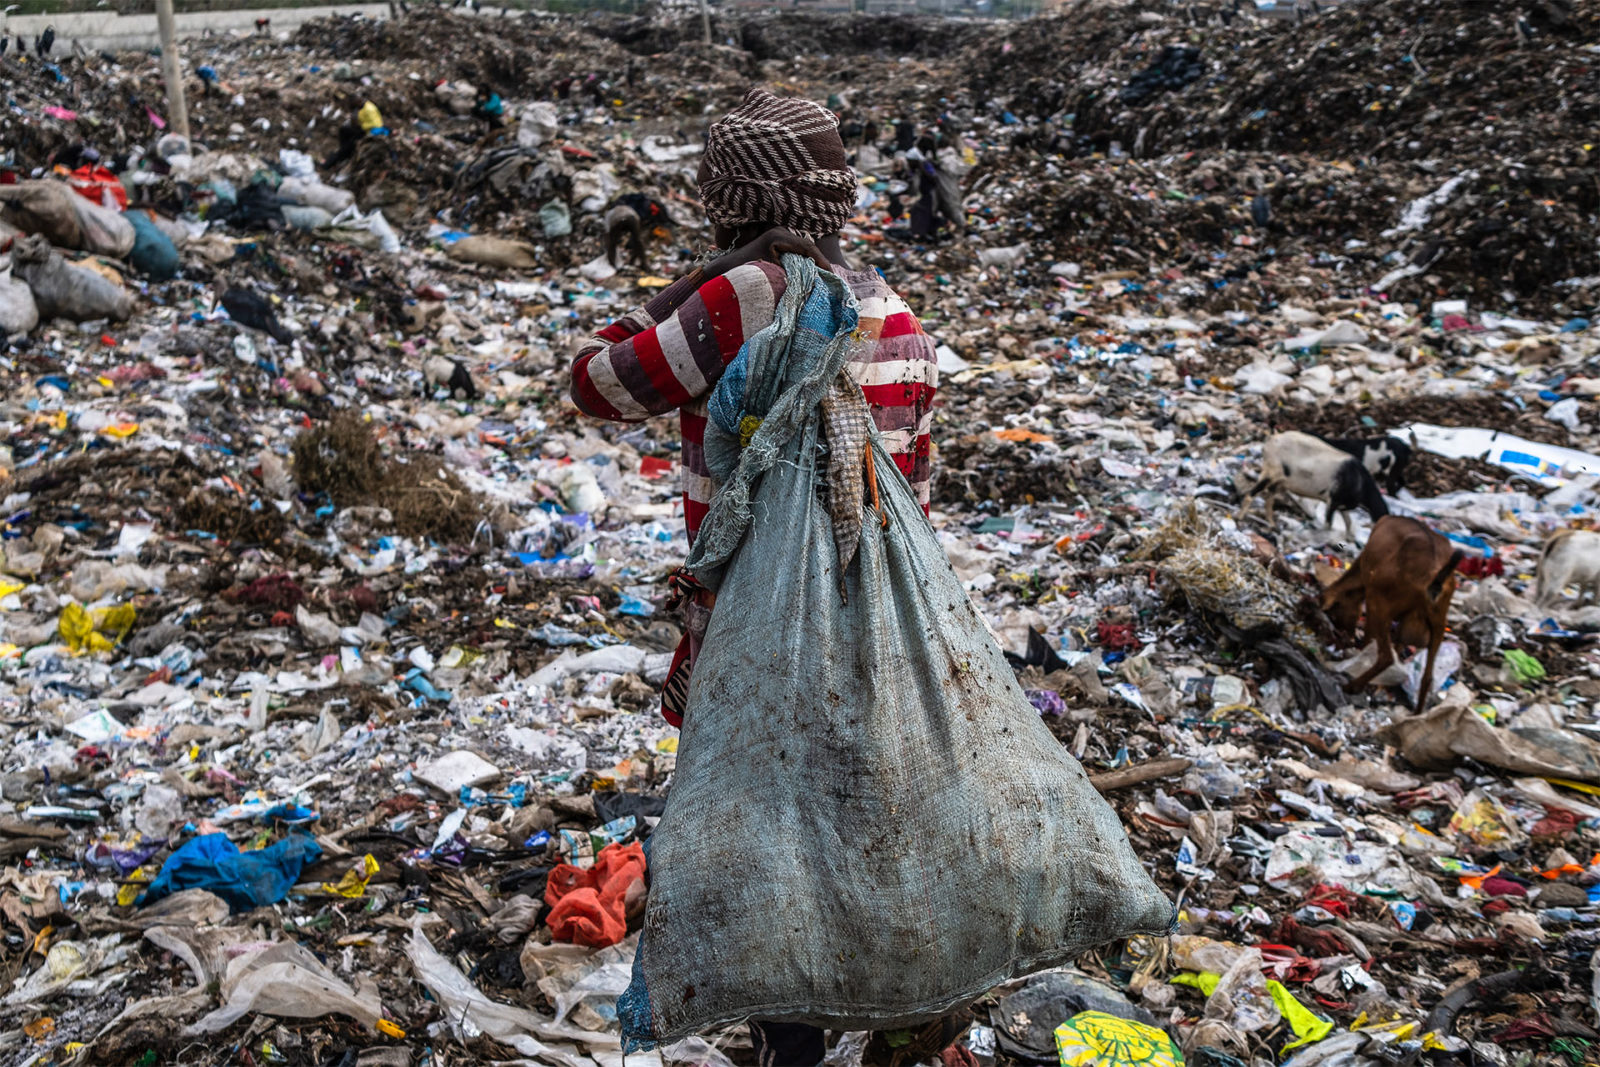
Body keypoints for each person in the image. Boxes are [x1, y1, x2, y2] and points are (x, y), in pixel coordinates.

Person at [569, 87, 943, 1065]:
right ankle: (857, 1009)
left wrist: (675, 290)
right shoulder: (895, 313)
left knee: (768, 848)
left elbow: (596, 382)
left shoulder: (739, 297)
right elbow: (919, 486)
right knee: (842, 829)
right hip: (870, 635)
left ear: (728, 196)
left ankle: (793, 1038)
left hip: (755, 637)